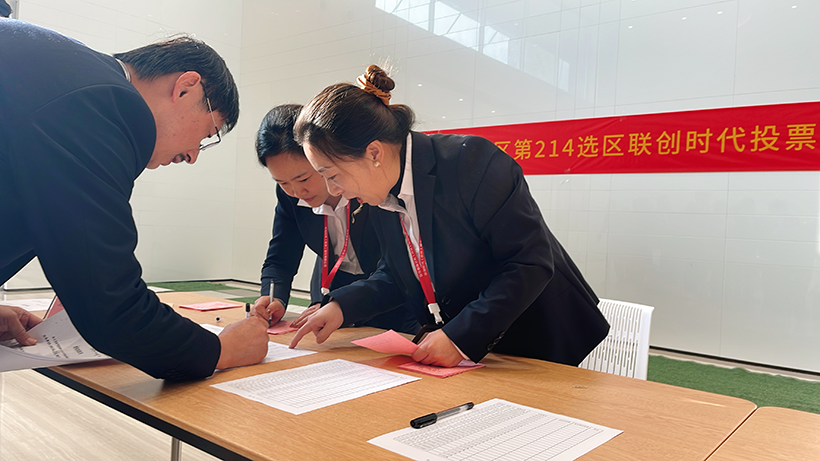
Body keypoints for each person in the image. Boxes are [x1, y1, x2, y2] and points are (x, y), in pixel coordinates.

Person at [0, 20, 269, 380]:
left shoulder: (68, 72)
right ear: (186, 88)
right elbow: (110, 303)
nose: (193, 156)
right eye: (207, 134)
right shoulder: (103, 104)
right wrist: (221, 350)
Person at [289, 65, 609, 367]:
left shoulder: (472, 162)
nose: (335, 190)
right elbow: (398, 274)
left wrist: (459, 337)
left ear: (374, 153)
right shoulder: (380, 192)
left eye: (332, 175)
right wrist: (342, 306)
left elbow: (529, 263)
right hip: (472, 347)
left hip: (536, 334)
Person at [251, 104, 418, 334]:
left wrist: (344, 305)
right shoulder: (290, 196)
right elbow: (281, 257)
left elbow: (395, 268)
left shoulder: (369, 188)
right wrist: (273, 298)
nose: (296, 192)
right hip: (329, 295)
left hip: (390, 299)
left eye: (303, 179)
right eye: (282, 182)